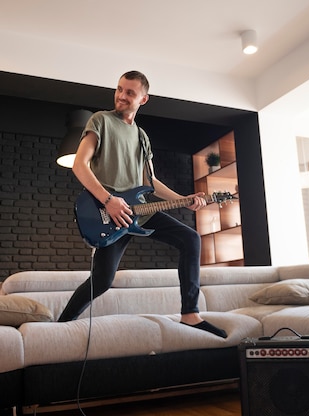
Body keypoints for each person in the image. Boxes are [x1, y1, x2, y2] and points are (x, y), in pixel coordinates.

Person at [57, 70, 227, 338]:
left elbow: (151, 181)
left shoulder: (142, 137)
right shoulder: (100, 120)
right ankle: (61, 326)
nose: (122, 96)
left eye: (130, 92)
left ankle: (190, 314)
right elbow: (79, 164)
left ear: (143, 99)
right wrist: (109, 200)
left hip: (142, 212)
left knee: (191, 238)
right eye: (119, 89)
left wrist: (184, 201)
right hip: (112, 213)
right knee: (101, 281)